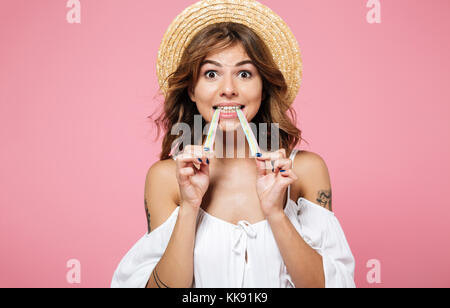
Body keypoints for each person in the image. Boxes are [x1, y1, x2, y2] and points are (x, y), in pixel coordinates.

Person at [111, 0, 355, 288]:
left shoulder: (305, 170)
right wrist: (189, 207)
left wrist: (276, 212)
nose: (228, 89)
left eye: (244, 73)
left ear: (263, 87)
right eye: (211, 74)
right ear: (192, 89)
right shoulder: (166, 178)